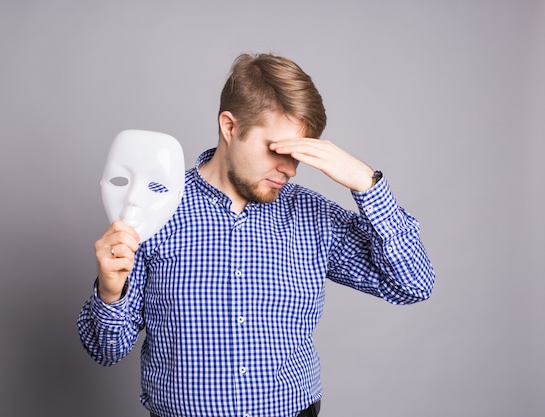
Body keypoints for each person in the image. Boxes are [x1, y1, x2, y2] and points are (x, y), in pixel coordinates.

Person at [77, 53, 435, 417]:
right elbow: (104, 350)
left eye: (300, 154)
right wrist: (109, 292)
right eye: (278, 149)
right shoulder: (156, 209)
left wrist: (367, 184)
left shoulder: (314, 216)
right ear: (230, 127)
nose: (291, 169)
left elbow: (413, 285)